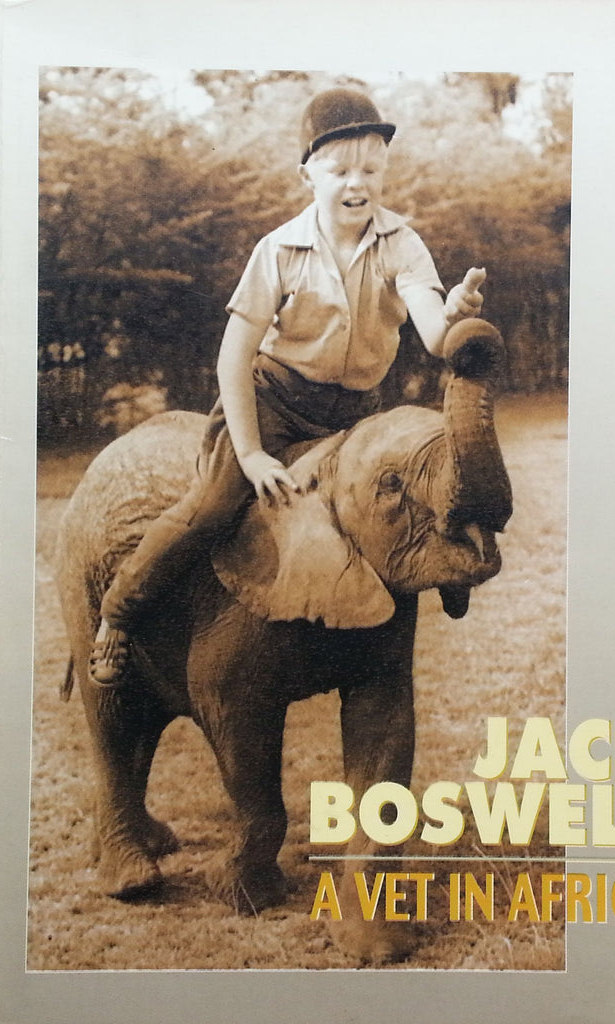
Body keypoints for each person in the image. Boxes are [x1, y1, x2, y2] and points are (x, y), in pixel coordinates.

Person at [88, 87, 486, 686]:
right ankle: (119, 613)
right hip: (274, 400)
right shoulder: (277, 251)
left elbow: (434, 334)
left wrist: (453, 311)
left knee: (416, 477)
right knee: (212, 508)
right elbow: (234, 355)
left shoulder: (402, 243)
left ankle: (450, 565)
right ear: (308, 175)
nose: (358, 183)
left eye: (371, 170)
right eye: (340, 170)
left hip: (357, 411)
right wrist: (250, 453)